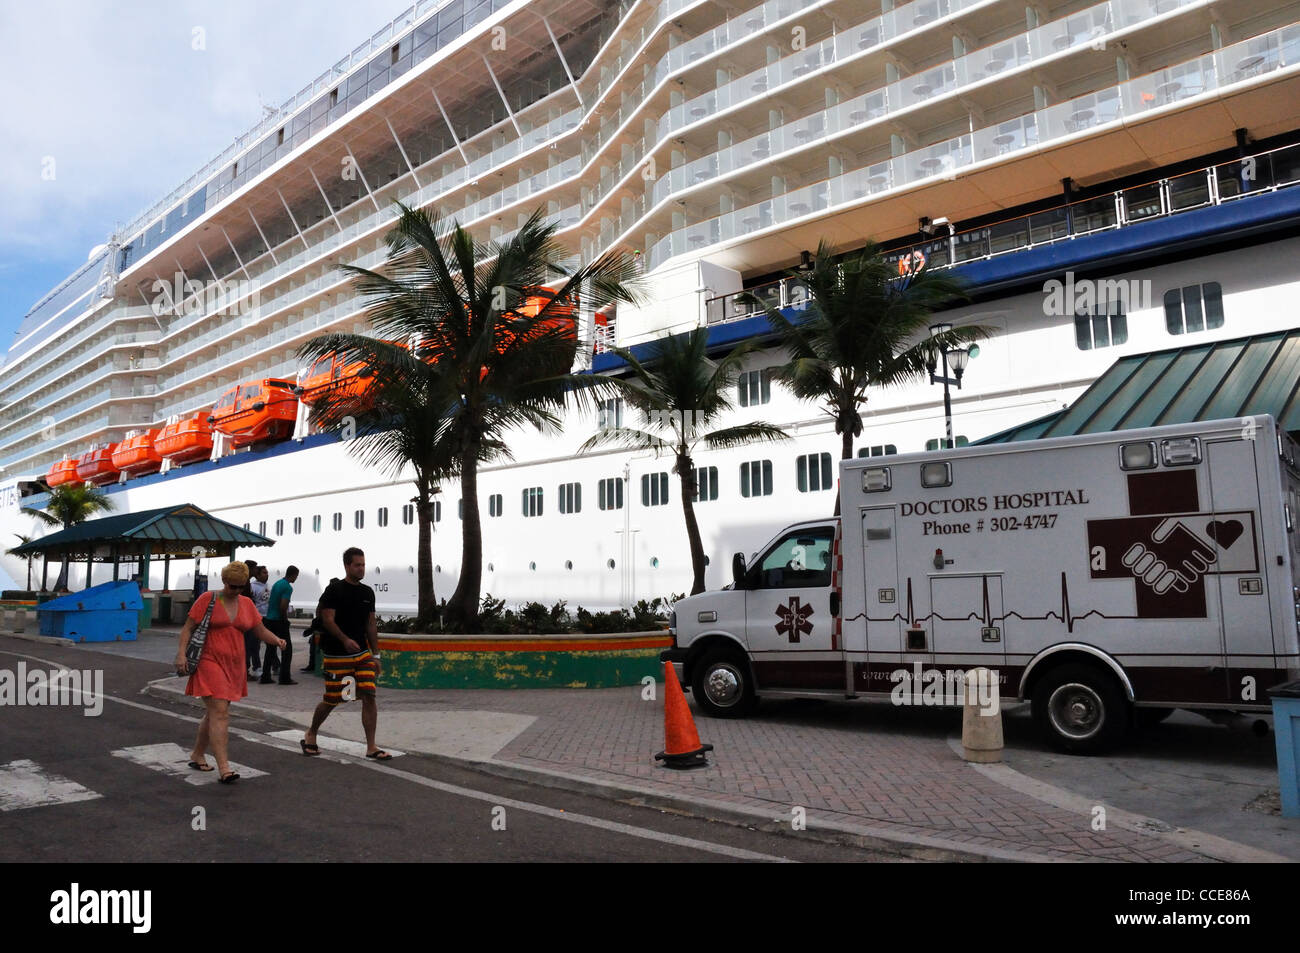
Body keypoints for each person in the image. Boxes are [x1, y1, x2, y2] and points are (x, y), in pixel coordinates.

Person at [174, 561, 286, 783]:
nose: (234, 590)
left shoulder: (246, 603)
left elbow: (259, 629)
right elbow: (188, 627)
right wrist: (181, 655)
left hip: (234, 664)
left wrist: (277, 640)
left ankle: (197, 753)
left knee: (216, 711)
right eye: (231, 586)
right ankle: (224, 767)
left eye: (239, 587)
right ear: (224, 581)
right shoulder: (208, 599)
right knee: (220, 712)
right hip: (209, 660)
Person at [301, 549, 390, 760]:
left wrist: (375, 655)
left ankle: (371, 746)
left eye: (363, 564)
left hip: (361, 655)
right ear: (347, 566)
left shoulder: (368, 593)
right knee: (335, 698)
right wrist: (344, 639)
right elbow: (327, 619)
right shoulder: (334, 590)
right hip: (337, 655)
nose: (361, 569)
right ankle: (311, 733)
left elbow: (370, 623)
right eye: (357, 565)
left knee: (369, 695)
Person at [261, 566, 298, 685]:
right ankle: (284, 677)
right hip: (279, 621)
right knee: (287, 649)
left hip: (269, 619)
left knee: (270, 649)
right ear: (293, 575)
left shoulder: (277, 583)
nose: (296, 578)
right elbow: (283, 607)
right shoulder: (287, 587)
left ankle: (265, 676)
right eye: (296, 576)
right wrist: (285, 620)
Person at [300, 578, 338, 674]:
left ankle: (315, 665)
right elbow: (319, 609)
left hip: (330, 626)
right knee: (316, 643)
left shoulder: (331, 594)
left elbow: (319, 609)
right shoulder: (329, 595)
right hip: (327, 625)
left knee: (319, 645)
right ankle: (315, 665)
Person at [251, 566, 274, 678]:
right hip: (257, 617)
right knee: (256, 644)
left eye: (267, 572)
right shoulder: (252, 587)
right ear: (258, 575)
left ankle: (276, 665)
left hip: (268, 617)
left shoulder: (268, 586)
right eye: (264, 573)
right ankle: (256, 667)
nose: (267, 574)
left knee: (271, 641)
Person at [243, 559, 262, 676]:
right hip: (246, 618)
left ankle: (249, 669)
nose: (257, 570)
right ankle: (245, 670)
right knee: (248, 645)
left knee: (251, 644)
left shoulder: (247, 582)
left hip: (247, 617)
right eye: (255, 568)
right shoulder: (245, 582)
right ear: (250, 569)